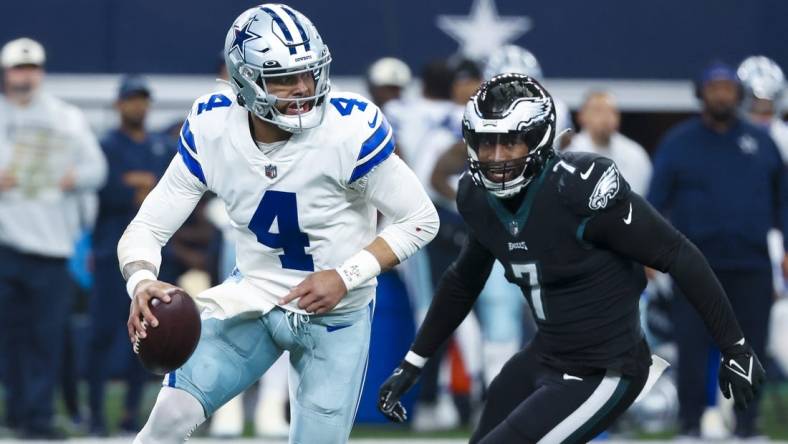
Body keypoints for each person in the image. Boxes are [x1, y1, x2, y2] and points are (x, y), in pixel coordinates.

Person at [377, 74, 766, 443]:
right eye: (485, 142)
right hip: (545, 355)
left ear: (538, 140)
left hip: (606, 370)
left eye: (509, 142)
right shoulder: (477, 197)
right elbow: (463, 281)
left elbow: (677, 254)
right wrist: (414, 360)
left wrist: (734, 345)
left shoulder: (579, 190)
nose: (495, 157)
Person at [118, 4, 438, 443]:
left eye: (309, 73)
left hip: (336, 319)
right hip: (254, 297)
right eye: (284, 78)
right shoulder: (213, 127)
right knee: (168, 419)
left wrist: (346, 276)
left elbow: (421, 219)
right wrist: (141, 281)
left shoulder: (348, 129)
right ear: (243, 80)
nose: (304, 89)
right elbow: (149, 226)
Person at [648, 62, 786, 439]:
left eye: (728, 88)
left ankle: (746, 426)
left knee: (750, 346)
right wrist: (647, 251)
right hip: (694, 264)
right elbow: (654, 202)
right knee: (691, 346)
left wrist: (785, 248)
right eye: (715, 87)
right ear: (701, 93)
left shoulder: (761, 142)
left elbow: (783, 203)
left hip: (751, 263)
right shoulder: (679, 141)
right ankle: (690, 425)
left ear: (738, 95)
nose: (722, 94)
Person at [0, 37, 107, 439]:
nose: (24, 76)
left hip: (51, 247)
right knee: (10, 336)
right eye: (17, 68)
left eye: (31, 68)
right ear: (6, 72)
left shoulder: (66, 118)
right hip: (5, 245)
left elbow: (97, 169)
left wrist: (72, 177)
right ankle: (16, 410)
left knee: (47, 338)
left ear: (41, 72)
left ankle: (39, 416)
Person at [88, 75, 170, 436]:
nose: (138, 106)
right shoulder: (105, 145)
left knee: (147, 336)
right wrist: (132, 188)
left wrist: (137, 184)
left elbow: (167, 189)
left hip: (152, 256)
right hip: (110, 252)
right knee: (103, 334)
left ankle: (132, 414)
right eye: (131, 99)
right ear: (119, 104)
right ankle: (95, 415)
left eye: (143, 99)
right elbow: (105, 190)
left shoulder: (158, 146)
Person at [565, 91, 652, 196]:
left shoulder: (635, 154)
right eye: (597, 111)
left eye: (611, 112)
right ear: (581, 116)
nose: (605, 118)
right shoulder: (567, 154)